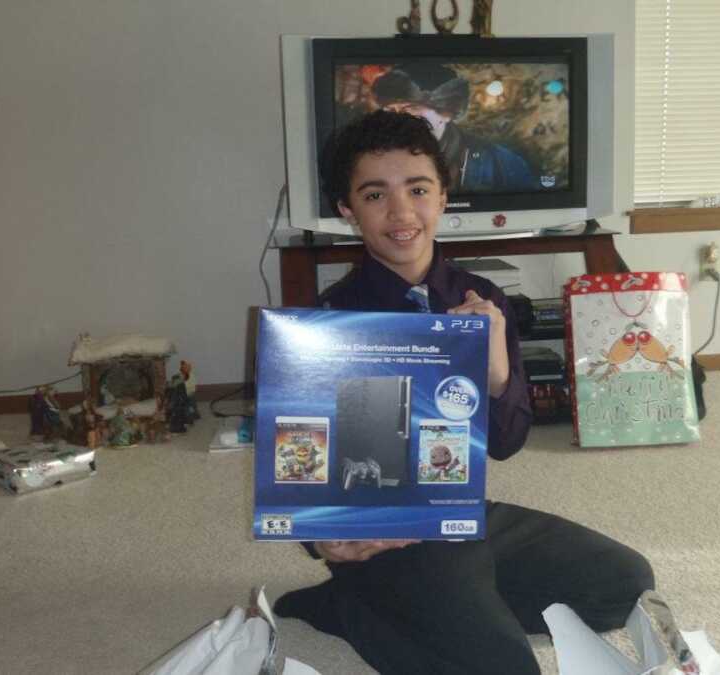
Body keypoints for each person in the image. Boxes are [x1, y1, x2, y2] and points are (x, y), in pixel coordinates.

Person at [272, 110, 654, 675]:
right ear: (348, 211)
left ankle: (404, 606)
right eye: (376, 195)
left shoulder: (483, 300)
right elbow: (300, 455)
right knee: (504, 667)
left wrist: (497, 370)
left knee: (625, 585)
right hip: (384, 531)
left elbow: (505, 443)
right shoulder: (327, 322)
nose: (401, 212)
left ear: (443, 197)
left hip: (462, 510)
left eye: (418, 189)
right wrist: (323, 538)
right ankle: (361, 600)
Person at [371, 63, 538, 194]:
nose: (399, 119)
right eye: (391, 110)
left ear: (446, 112)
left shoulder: (499, 163)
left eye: (411, 108)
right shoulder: (372, 160)